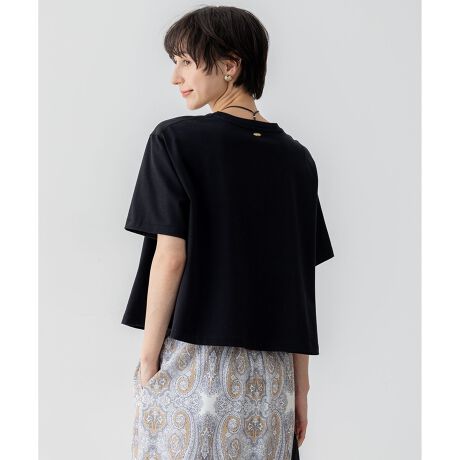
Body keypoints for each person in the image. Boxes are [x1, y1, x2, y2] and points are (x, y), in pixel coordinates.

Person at [122, 5, 334, 459]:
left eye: (185, 61)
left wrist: (147, 362)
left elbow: (170, 258)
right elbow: (300, 281)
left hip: (195, 367)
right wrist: (301, 387)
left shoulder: (175, 140)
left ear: (230, 65)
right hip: (272, 379)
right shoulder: (298, 160)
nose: (175, 77)